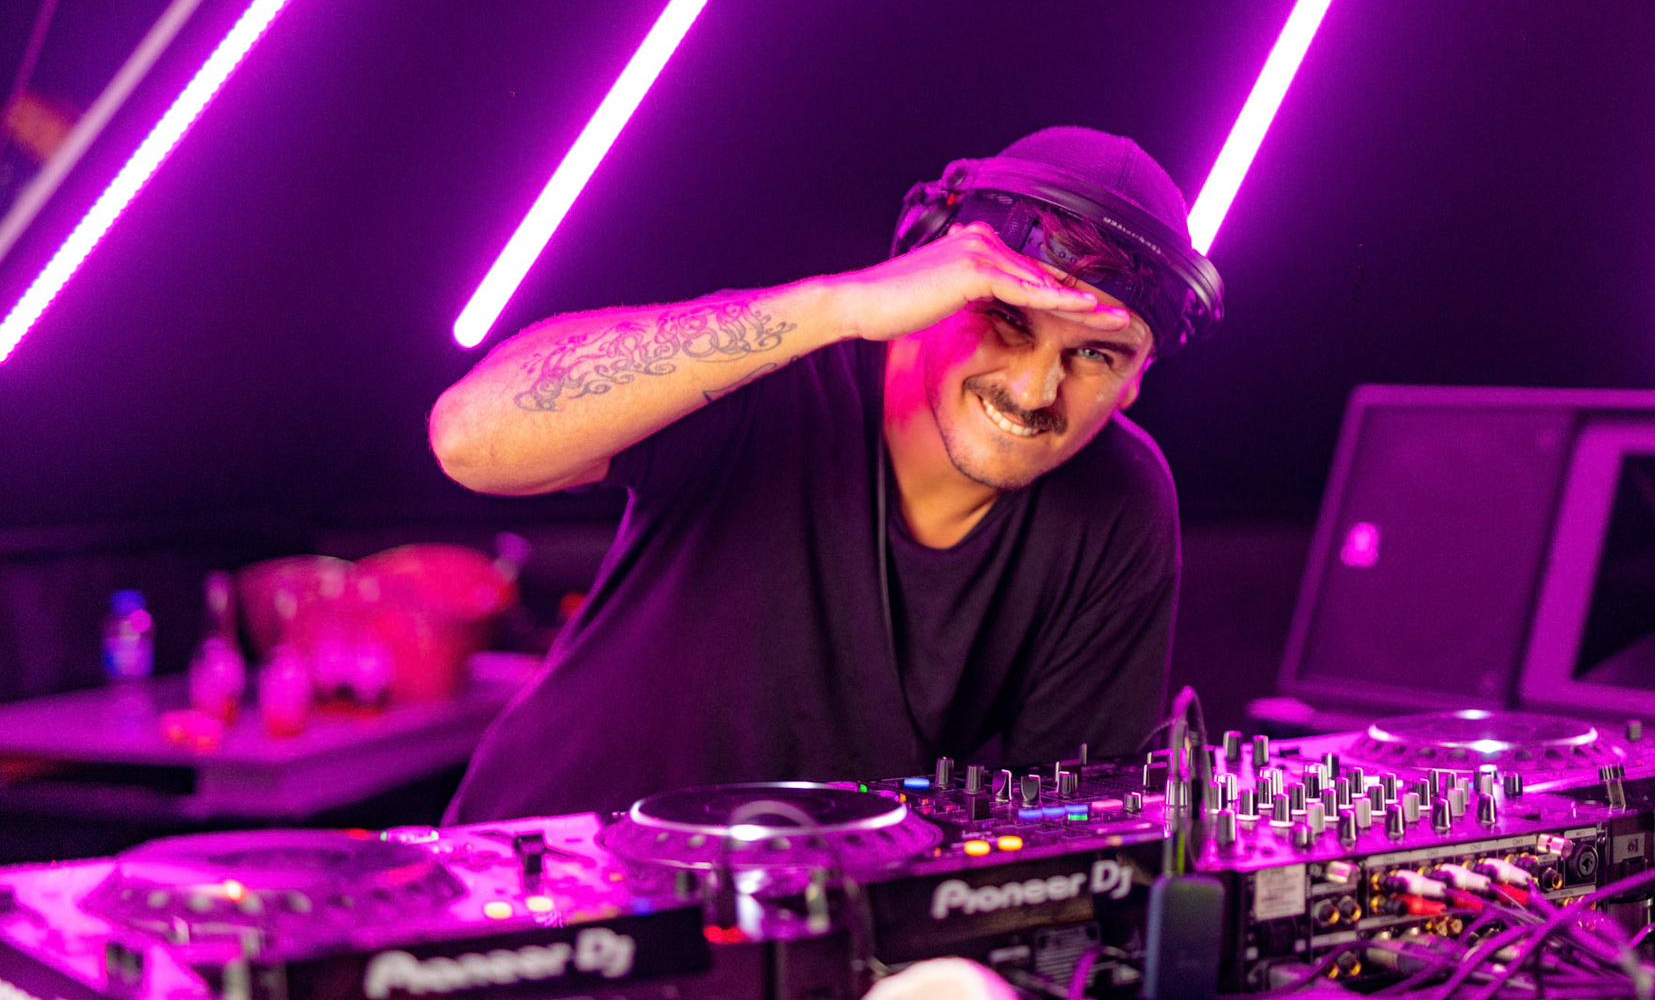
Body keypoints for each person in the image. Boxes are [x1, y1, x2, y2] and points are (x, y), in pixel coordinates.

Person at [431, 126, 1223, 822]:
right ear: (933, 270)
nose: (1033, 388)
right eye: (1005, 318)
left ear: (1137, 378)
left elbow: (1068, 827)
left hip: (817, 921)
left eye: (1094, 354)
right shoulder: (775, 367)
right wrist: (839, 305)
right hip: (551, 878)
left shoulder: (1121, 500)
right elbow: (469, 436)